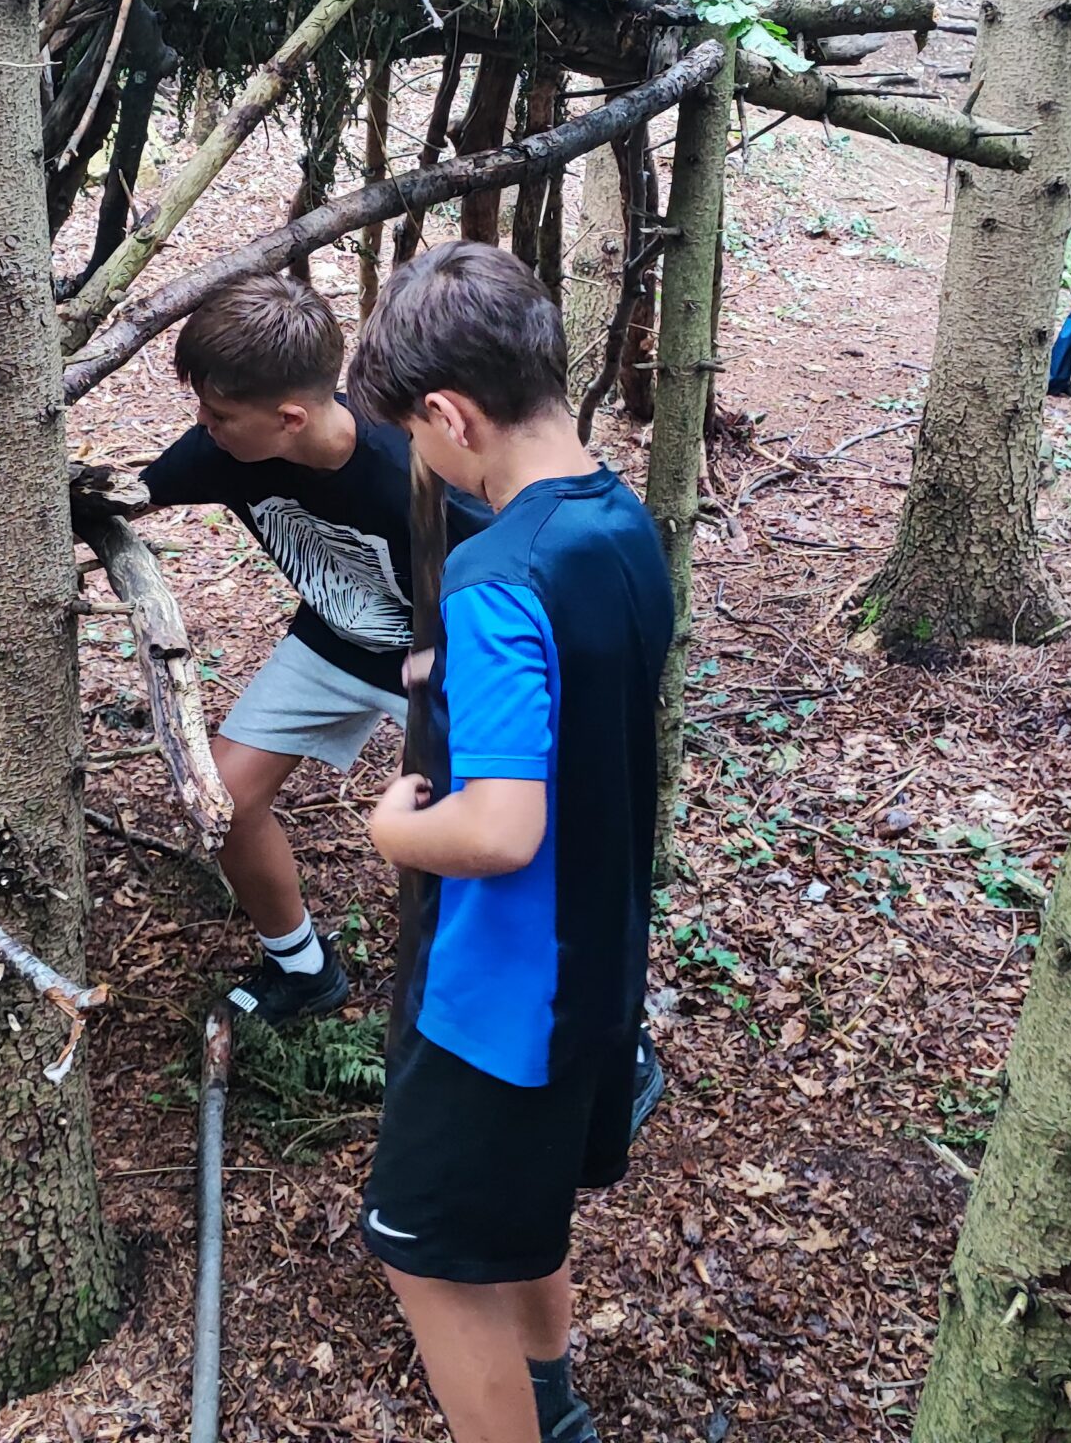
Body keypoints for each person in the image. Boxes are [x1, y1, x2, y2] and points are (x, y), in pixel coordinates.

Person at [344, 242, 672, 1443]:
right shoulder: (619, 521)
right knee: (520, 1213)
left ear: (449, 415)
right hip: (593, 969)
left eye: (411, 436)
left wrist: (394, 827)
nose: (418, 457)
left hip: (499, 999)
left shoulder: (494, 576)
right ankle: (549, 1402)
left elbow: (498, 826)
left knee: (424, 1254)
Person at [139, 272, 483, 1024]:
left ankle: (588, 1026)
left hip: (448, 662)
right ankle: (301, 968)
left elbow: (518, 588)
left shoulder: (415, 473)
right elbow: (128, 495)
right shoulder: (226, 450)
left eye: (218, 414)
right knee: (224, 799)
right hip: (334, 639)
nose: (202, 427)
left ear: (289, 418)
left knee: (480, 838)